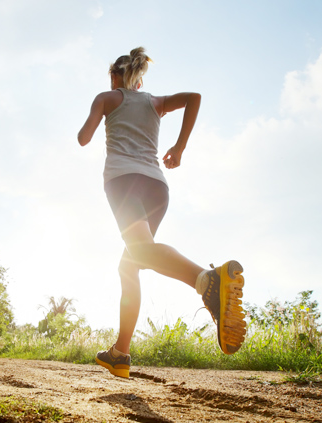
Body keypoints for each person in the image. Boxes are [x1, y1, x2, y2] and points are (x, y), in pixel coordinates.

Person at [77, 47, 248, 378]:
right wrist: (179, 147)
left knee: (140, 252)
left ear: (115, 77)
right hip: (157, 185)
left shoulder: (107, 97)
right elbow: (194, 98)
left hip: (123, 181)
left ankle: (207, 281)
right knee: (131, 263)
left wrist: (98, 114)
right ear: (139, 81)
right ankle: (120, 353)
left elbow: (84, 138)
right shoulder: (155, 102)